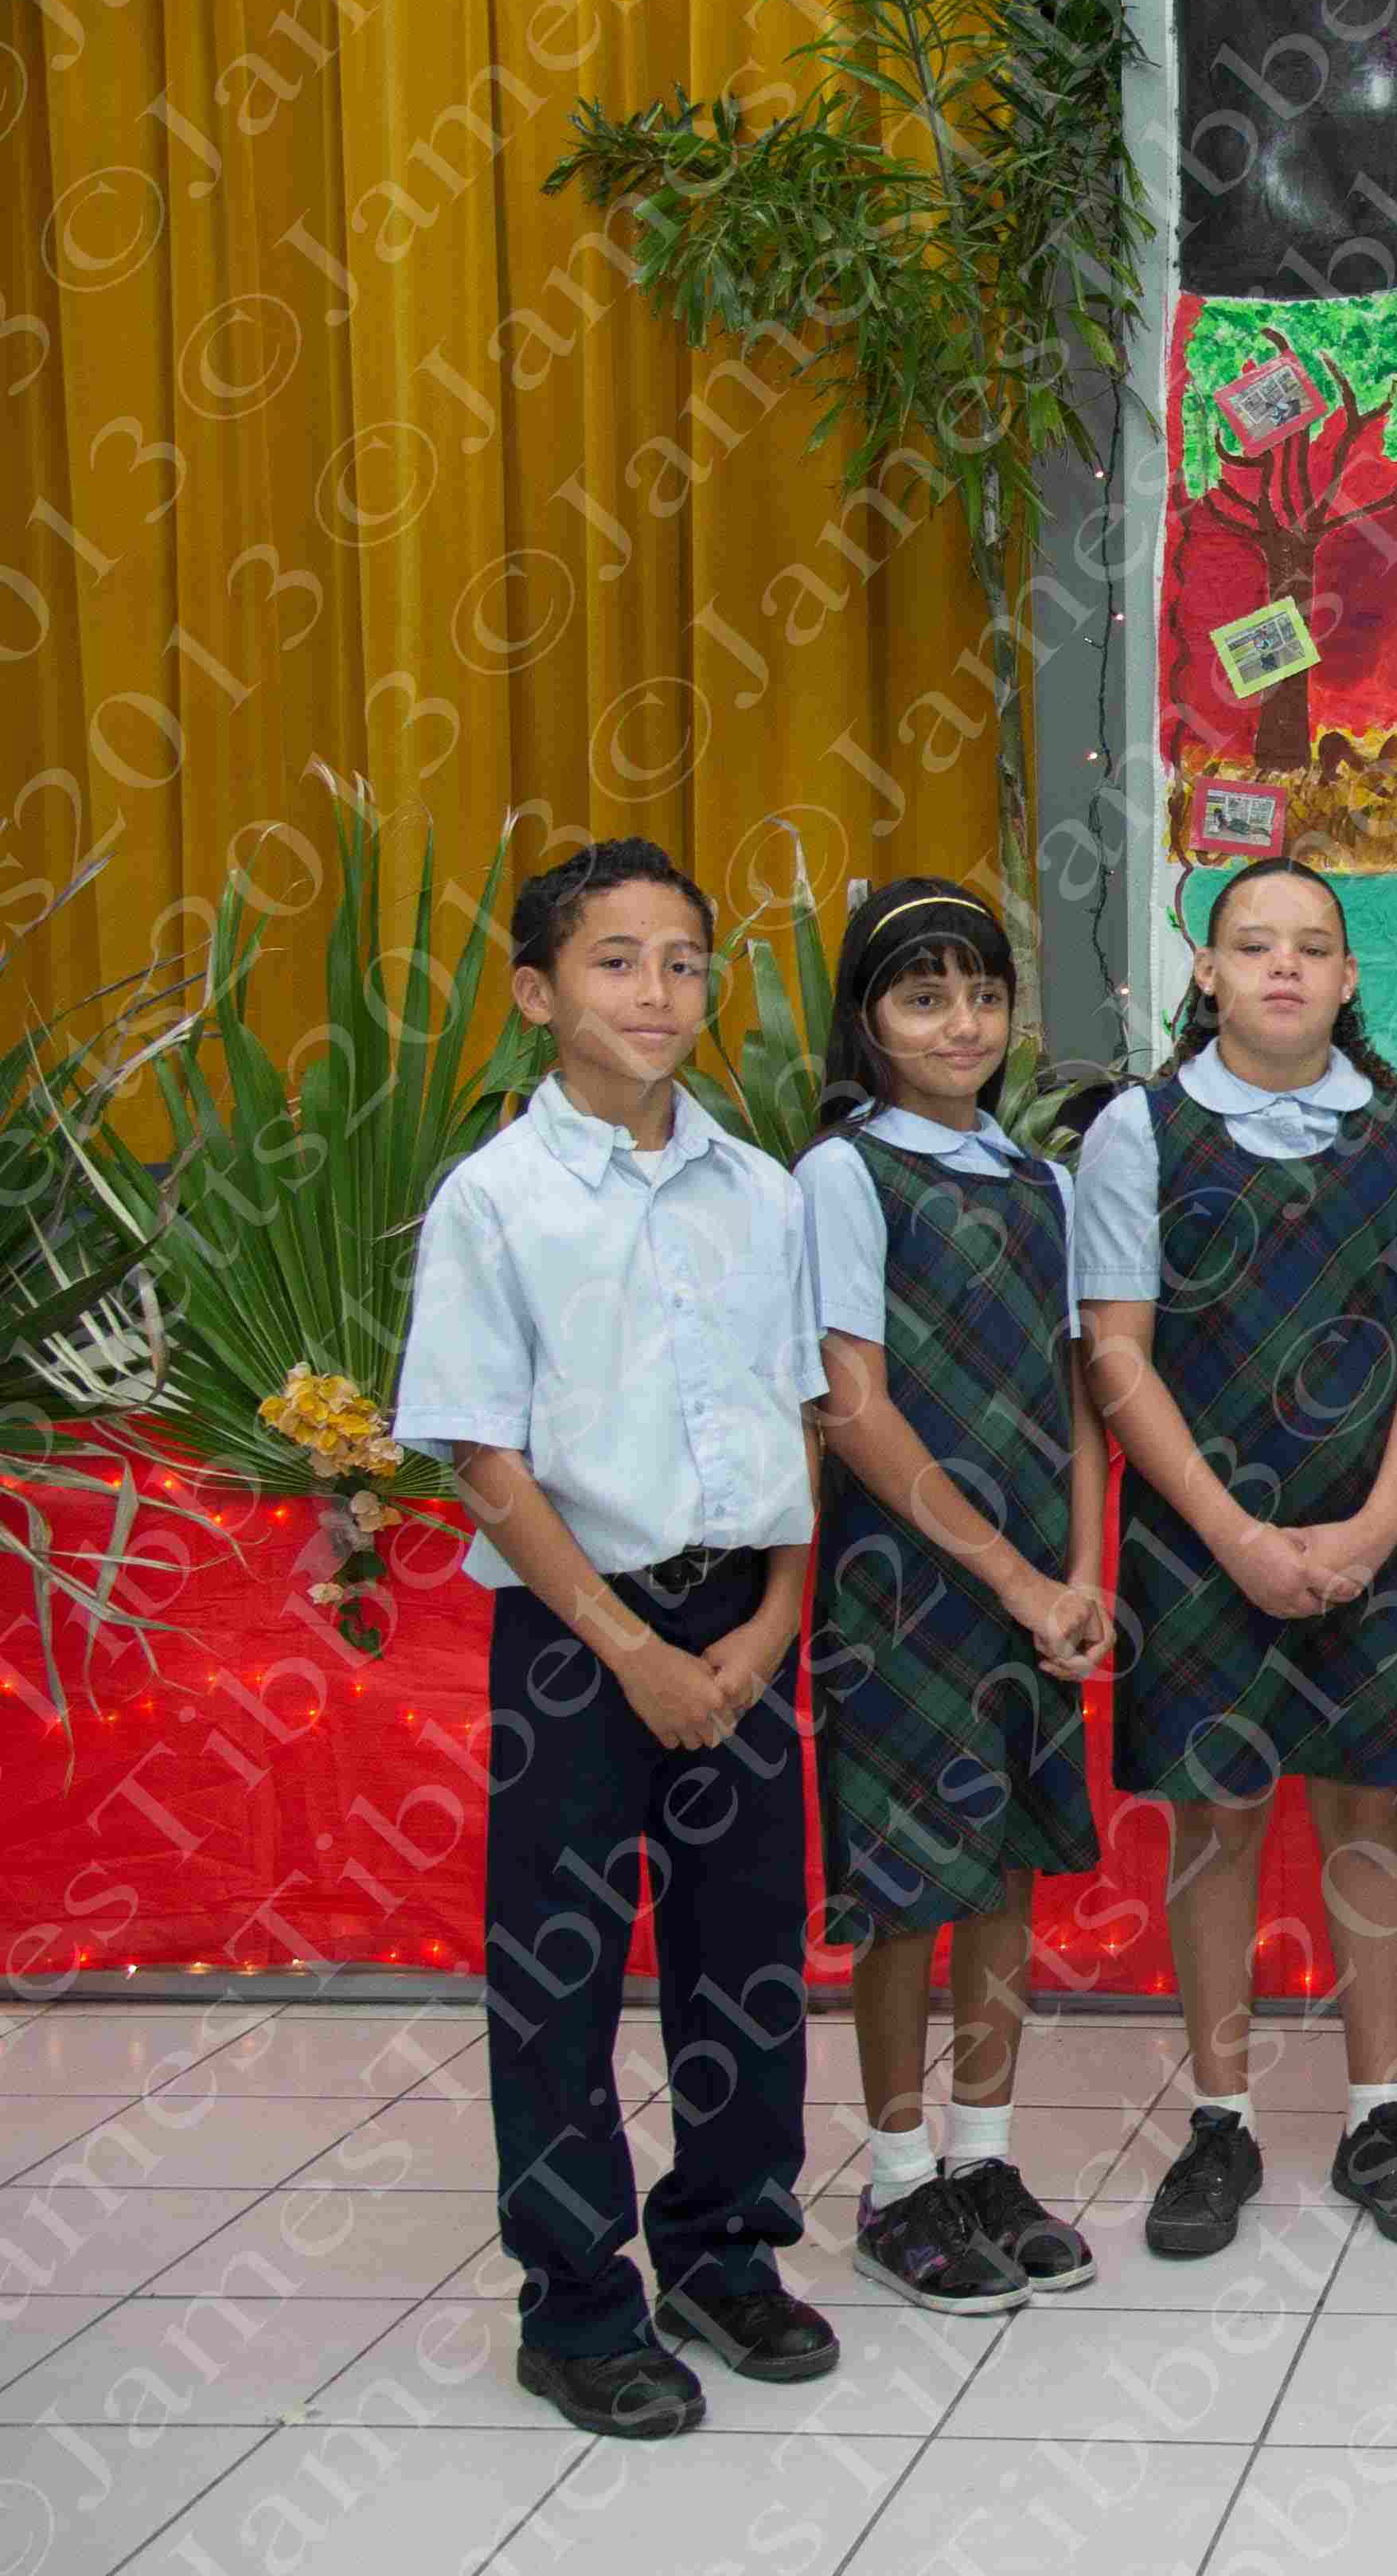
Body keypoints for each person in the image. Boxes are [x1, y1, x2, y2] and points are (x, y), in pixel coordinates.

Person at [396, 837, 835, 2437]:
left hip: (742, 1617)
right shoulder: (497, 1201)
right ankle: (577, 2305)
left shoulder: (762, 1191)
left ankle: (726, 2248)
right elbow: (483, 1452)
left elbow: (802, 1413)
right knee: (561, 1969)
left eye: (683, 962)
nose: (657, 992)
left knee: (745, 1957)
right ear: (536, 993)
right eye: (615, 961)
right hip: (577, 1623)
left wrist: (775, 1618)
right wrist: (626, 1648)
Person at [1075, 857, 1397, 2256]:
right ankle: (1220, 2120)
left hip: (1378, 1518)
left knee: (1370, 1809)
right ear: (1206, 972)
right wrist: (1236, 1536)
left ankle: (1381, 2117)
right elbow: (1117, 1355)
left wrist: (1376, 1525)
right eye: (1254, 945)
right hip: (1202, 1529)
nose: (1284, 969)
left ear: (1349, 975)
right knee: (1218, 1819)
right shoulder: (1140, 1131)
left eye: (1313, 947)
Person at [798, 879, 1111, 2312]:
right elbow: (853, 1407)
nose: (962, 1024)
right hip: (906, 1589)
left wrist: (1081, 1573)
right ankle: (896, 2178)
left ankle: (984, 2158)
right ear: (867, 1021)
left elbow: (1076, 1392)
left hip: (1037, 1586)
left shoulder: (1040, 1182)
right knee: (909, 1885)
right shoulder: (846, 1176)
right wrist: (1011, 1575)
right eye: (924, 998)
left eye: (983, 995)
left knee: (1005, 1870)